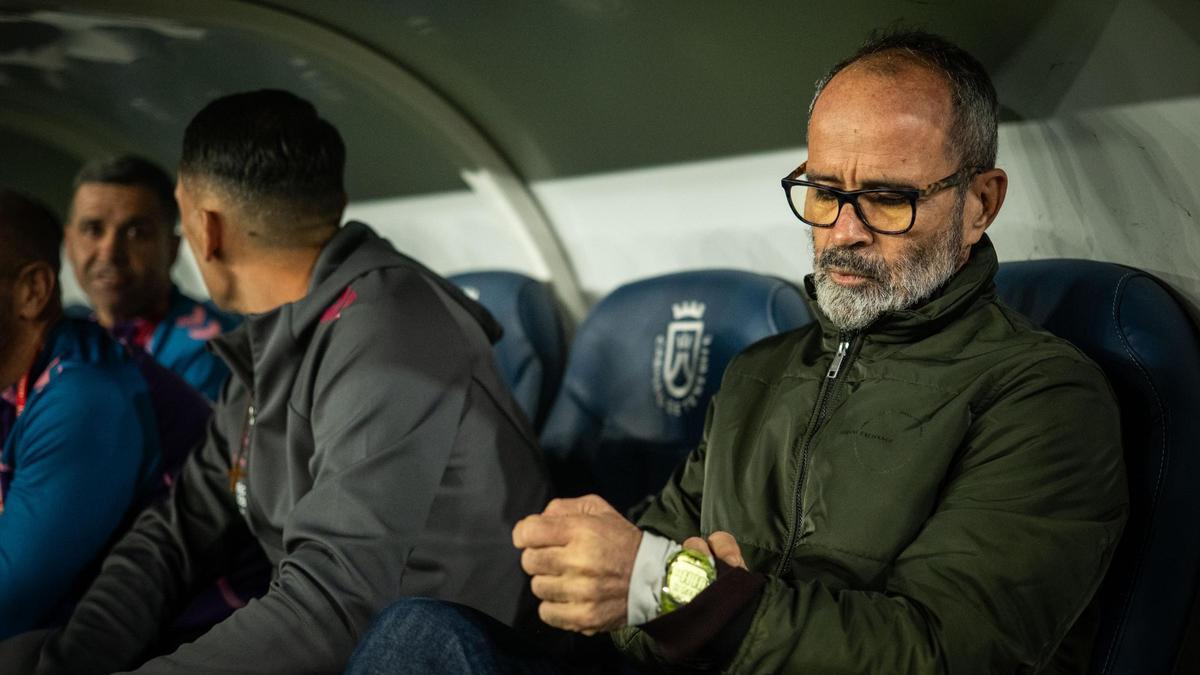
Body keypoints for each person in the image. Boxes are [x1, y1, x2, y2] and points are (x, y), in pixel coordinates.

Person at [352, 30, 1128, 674]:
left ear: (979, 203)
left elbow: (946, 653)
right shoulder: (762, 371)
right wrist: (622, 578)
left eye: (888, 197)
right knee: (422, 633)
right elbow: (636, 577)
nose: (844, 230)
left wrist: (682, 589)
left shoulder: (1041, 398)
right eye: (824, 191)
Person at [3, 89, 550, 675]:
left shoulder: (391, 335)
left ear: (205, 229)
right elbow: (173, 536)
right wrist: (63, 663)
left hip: (448, 651)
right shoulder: (273, 339)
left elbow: (335, 600)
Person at [0, 189, 208, 640]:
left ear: (32, 292)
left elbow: (7, 605)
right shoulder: (18, 371)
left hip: (172, 647)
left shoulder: (85, 397)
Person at [65, 155, 238, 400]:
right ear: (69, 243)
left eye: (136, 233)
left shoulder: (209, 350)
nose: (110, 252)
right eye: (93, 230)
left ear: (172, 247)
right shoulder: (61, 333)